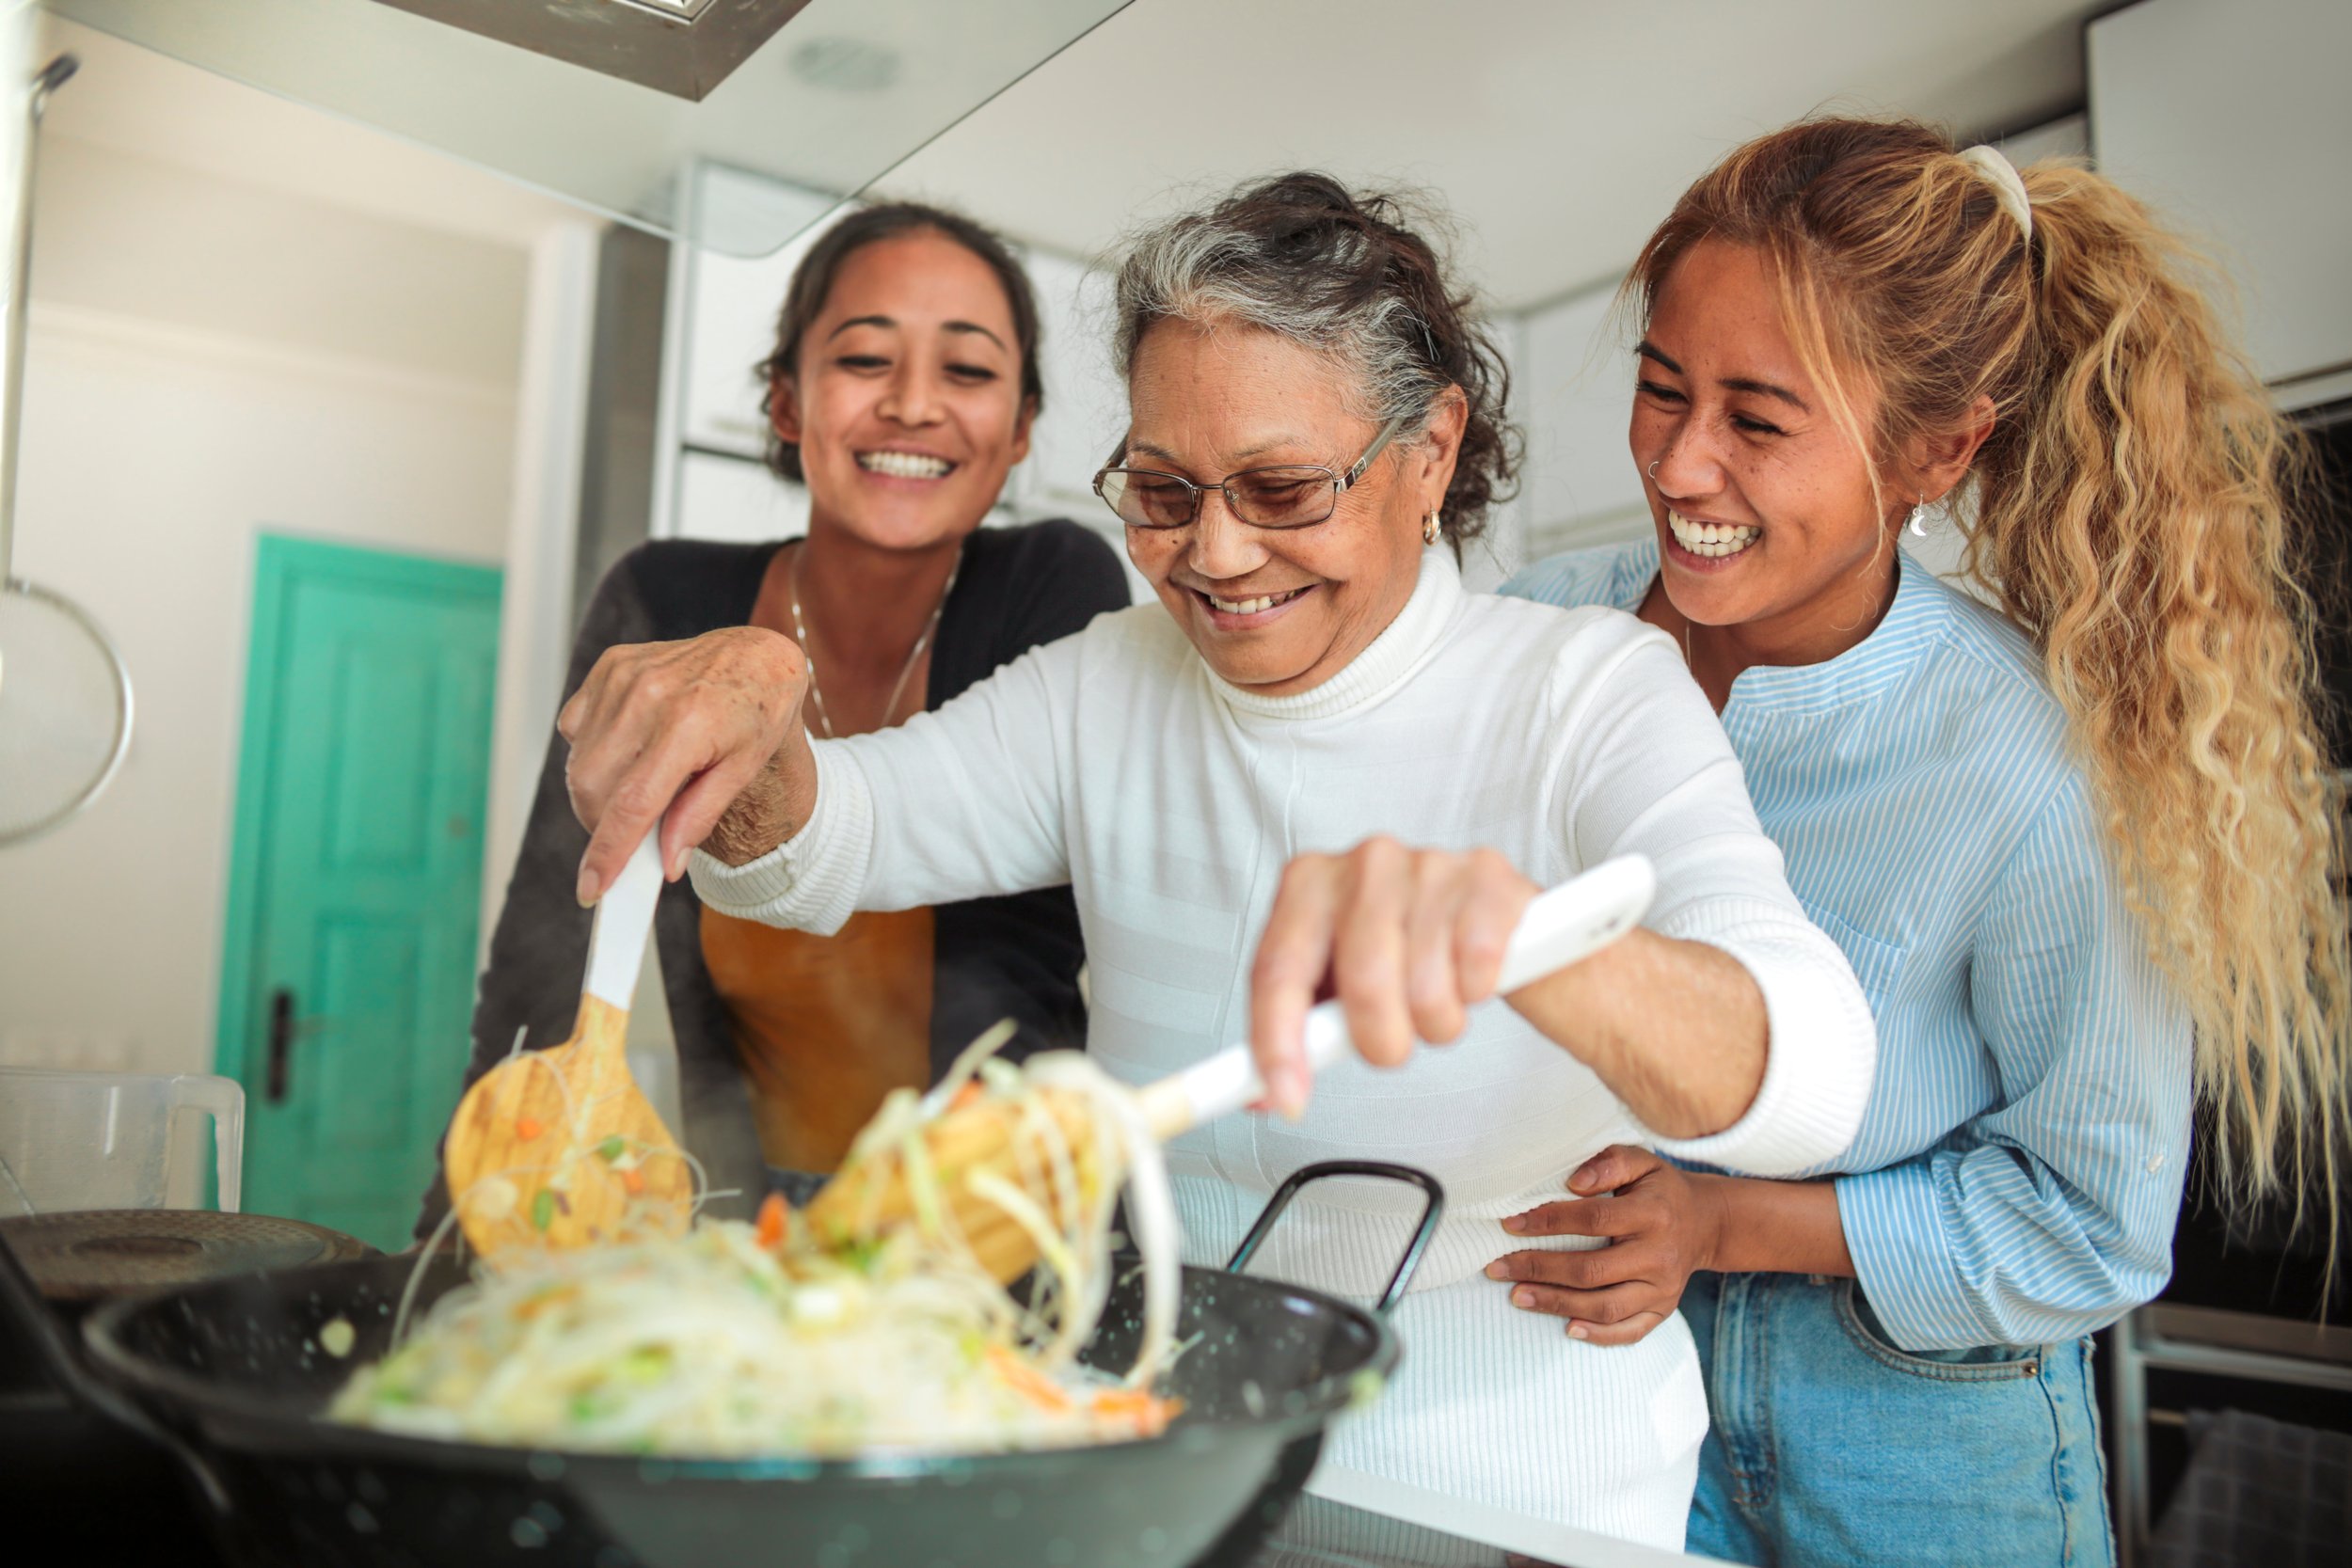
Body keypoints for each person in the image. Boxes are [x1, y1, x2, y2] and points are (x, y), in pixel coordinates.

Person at [552, 172, 1876, 1548]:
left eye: (1284, 486)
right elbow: (831, 846)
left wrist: (1532, 937)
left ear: (1430, 450)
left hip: (1504, 1485)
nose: (1218, 555)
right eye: (1166, 491)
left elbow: (1817, 1074)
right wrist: (757, 716)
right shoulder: (1109, 683)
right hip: (1170, 1453)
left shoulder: (1587, 691)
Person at [1499, 117, 2351, 1565]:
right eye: (1661, 389)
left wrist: (1720, 1219)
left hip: (1919, 1432)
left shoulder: (2027, 763)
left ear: (1937, 452)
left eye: (1759, 421)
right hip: (1596, 1378)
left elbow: (2090, 1225)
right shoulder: (1539, 629)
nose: (1683, 464)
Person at [421, 202, 1130, 1232]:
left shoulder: (1054, 579)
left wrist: (947, 1232)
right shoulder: (664, 599)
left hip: (986, 1208)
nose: (914, 404)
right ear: (787, 400)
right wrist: (449, 1239)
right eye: (863, 359)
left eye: (969, 371)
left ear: (1020, 429)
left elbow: (1030, 963)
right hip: (745, 1209)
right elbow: (551, 934)